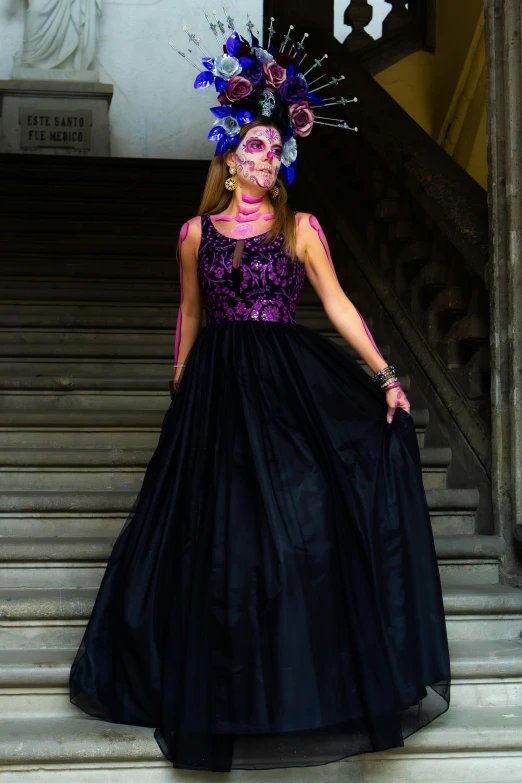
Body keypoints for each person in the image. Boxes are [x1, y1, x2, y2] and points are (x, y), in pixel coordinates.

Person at [69, 16, 450, 774]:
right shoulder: (194, 233)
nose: (267, 160)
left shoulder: (300, 227)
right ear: (230, 154)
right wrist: (182, 387)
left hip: (284, 387)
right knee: (207, 538)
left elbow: (339, 305)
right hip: (214, 393)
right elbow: (190, 313)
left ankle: (304, 677)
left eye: (277, 150)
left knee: (301, 521)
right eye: (255, 148)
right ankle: (216, 679)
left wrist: (386, 375)